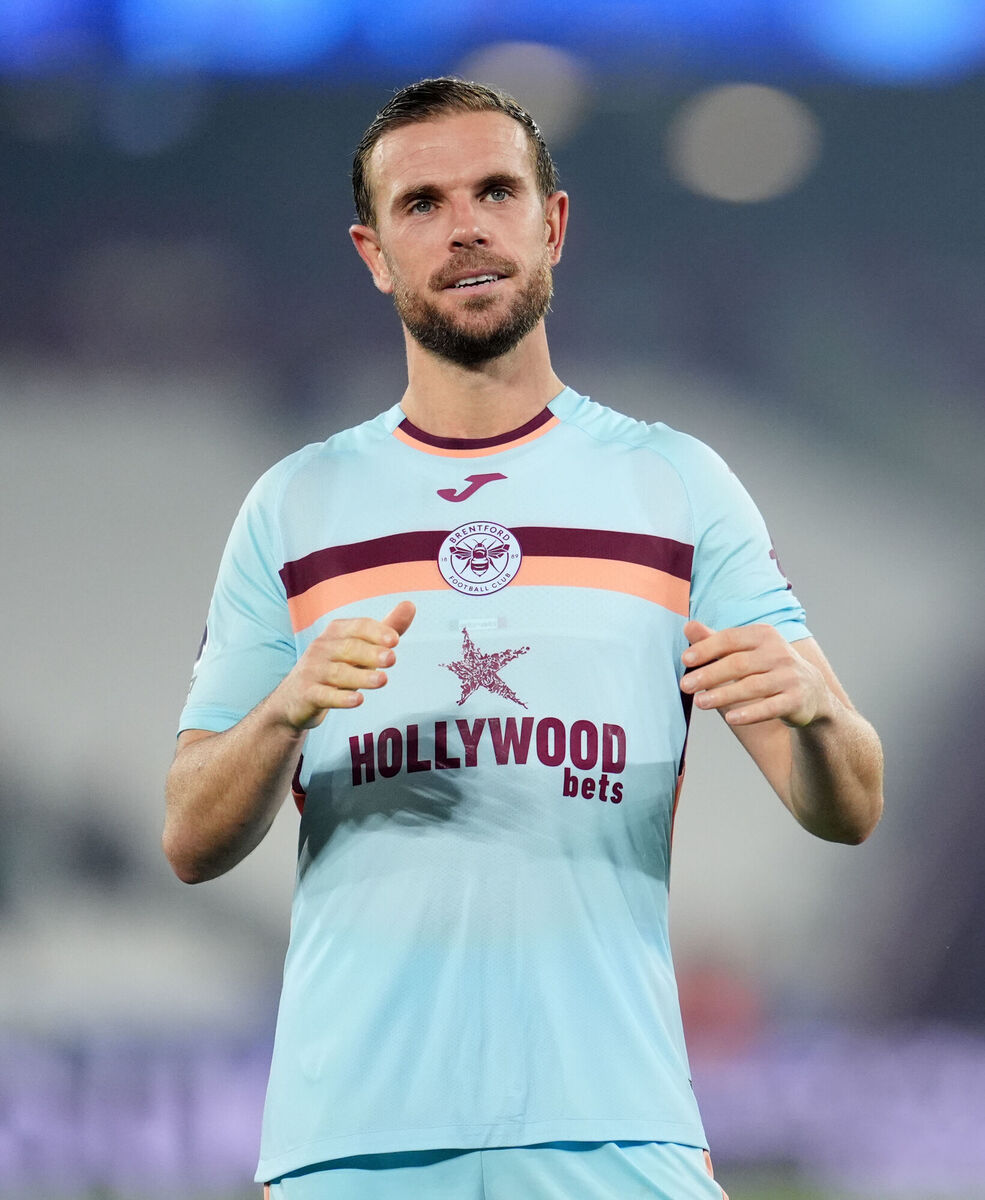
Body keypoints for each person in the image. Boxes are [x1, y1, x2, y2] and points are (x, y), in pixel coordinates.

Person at [164, 78, 884, 1200]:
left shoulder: (675, 484)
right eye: (421, 204)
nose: (465, 226)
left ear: (551, 223)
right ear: (371, 251)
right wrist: (284, 710)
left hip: (614, 1127)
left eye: (496, 190)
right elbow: (190, 835)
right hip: (353, 1141)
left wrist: (815, 708)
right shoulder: (294, 506)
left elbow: (845, 806)